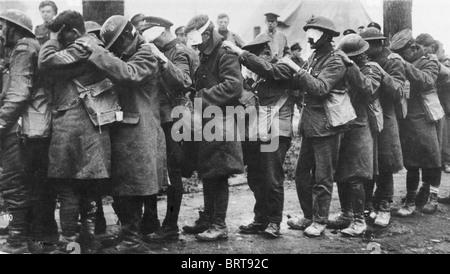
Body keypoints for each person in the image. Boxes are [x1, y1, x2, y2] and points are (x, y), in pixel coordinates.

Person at [77, 15, 166, 253]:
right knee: (123, 185)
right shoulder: (128, 53)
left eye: (116, 44)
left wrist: (97, 51)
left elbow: (128, 74)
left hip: (139, 130)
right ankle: (128, 235)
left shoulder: (146, 54)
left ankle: (132, 240)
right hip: (126, 129)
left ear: (128, 35)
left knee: (134, 185)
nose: (114, 50)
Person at [39, 10, 112, 254]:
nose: (60, 38)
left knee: (68, 185)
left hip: (73, 124)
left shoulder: (81, 46)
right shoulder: (93, 45)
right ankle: (88, 237)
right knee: (88, 185)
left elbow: (45, 62)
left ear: (71, 31)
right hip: (91, 124)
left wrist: (51, 38)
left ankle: (69, 240)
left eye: (62, 33)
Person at [279, 16, 347, 237]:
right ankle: (309, 215)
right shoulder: (315, 56)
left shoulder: (335, 60)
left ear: (327, 36)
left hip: (326, 126)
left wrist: (296, 69)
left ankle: (319, 220)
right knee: (301, 174)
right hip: (310, 126)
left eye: (314, 33)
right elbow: (303, 83)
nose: (309, 37)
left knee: (323, 177)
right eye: (308, 31)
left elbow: (320, 88)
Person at [223, 36, 295, 238]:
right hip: (257, 130)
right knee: (256, 177)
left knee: (272, 178)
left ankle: (274, 222)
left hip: (276, 130)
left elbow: (268, 70)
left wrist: (240, 53)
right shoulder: (257, 77)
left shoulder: (283, 67)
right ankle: (261, 219)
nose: (254, 59)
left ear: (267, 52)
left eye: (258, 53)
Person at [181, 14, 244, 242]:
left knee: (218, 174)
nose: (196, 47)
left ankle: (219, 224)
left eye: (198, 42)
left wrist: (200, 97)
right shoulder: (208, 53)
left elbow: (233, 86)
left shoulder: (224, 53)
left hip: (222, 122)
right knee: (208, 172)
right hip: (209, 122)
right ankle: (208, 219)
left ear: (207, 35)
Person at [0, 9, 54, 254]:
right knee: (31, 185)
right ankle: (34, 238)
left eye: (3, 27)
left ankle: (16, 242)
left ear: (14, 28)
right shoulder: (32, 45)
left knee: (14, 184)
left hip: (19, 126)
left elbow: (18, 93)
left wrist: (0, 123)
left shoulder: (23, 48)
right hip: (33, 126)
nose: (1, 32)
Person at [139, 16, 197, 242]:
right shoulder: (162, 50)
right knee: (154, 169)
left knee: (173, 173)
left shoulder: (179, 52)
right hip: (159, 118)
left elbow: (183, 82)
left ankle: (171, 226)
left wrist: (162, 59)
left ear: (162, 33)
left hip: (175, 119)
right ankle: (150, 220)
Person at [329, 34, 382, 236]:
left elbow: (369, 89)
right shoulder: (344, 68)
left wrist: (350, 67)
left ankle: (359, 221)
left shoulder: (372, 69)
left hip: (360, 126)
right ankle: (346, 214)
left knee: (356, 175)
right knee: (342, 173)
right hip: (343, 124)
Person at [390, 29, 442, 216]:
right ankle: (411, 201)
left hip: (426, 116)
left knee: (431, 158)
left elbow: (427, 81)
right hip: (407, 117)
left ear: (412, 48)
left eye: (404, 53)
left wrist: (404, 64)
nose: (403, 56)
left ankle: (433, 198)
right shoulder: (406, 60)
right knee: (411, 162)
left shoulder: (429, 61)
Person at [360, 27, 406, 227]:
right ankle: (369, 205)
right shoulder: (363, 61)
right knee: (368, 164)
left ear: (379, 43)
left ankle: (385, 206)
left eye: (367, 45)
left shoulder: (392, 61)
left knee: (385, 164)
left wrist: (382, 73)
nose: (364, 49)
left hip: (386, 118)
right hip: (367, 118)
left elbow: (398, 91)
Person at [415, 34, 450, 206]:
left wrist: (435, 62)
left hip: (436, 111)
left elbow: (446, 76)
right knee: (426, 154)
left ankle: (433, 195)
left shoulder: (434, 62)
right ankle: (425, 188)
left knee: (436, 154)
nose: (424, 51)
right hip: (430, 111)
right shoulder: (422, 60)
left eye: (426, 47)